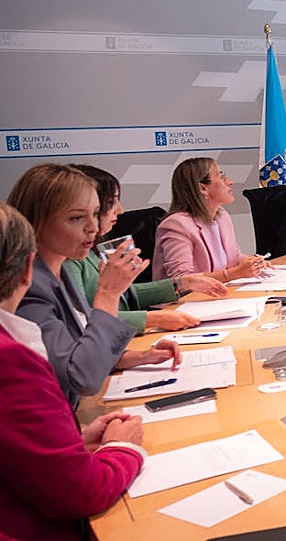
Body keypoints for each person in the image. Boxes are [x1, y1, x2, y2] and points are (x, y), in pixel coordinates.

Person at [0, 201, 147, 541]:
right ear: (27, 268)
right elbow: (82, 492)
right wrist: (123, 448)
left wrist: (73, 441)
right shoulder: (9, 361)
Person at [7, 164, 179, 408]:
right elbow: (81, 378)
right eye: (77, 218)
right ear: (36, 221)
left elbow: (76, 348)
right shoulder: (28, 286)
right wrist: (108, 295)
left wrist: (139, 356)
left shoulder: (58, 271)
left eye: (95, 213)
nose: (93, 227)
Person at [62, 165, 227, 335]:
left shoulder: (90, 250)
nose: (120, 210)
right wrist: (151, 319)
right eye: (111, 203)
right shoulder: (69, 258)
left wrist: (182, 283)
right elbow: (81, 320)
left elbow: (127, 295)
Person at [153, 157, 267, 281]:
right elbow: (181, 280)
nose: (229, 182)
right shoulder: (176, 225)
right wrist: (234, 274)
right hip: (190, 294)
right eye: (221, 176)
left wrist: (252, 263)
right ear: (203, 188)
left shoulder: (222, 216)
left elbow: (234, 256)